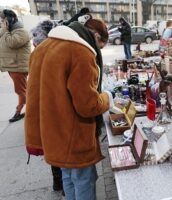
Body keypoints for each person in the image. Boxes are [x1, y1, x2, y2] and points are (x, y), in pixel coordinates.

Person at [25, 14, 114, 200]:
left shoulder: (43, 48)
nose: (98, 52)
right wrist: (107, 98)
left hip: (52, 133)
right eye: (100, 47)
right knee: (83, 180)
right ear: (96, 36)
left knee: (68, 177)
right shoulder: (80, 52)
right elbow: (88, 106)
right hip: (74, 135)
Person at [31, 19, 64, 193]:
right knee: (57, 144)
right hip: (53, 105)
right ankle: (62, 184)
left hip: (43, 106)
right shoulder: (51, 52)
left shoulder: (37, 52)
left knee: (51, 144)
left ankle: (57, 182)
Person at [0, 9, 31, 122]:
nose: (1, 22)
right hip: (12, 66)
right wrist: (4, 29)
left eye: (2, 20)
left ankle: (24, 111)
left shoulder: (21, 31)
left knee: (21, 91)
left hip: (18, 67)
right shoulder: (7, 30)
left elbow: (12, 43)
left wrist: (5, 29)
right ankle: (29, 110)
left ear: (9, 20)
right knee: (23, 90)